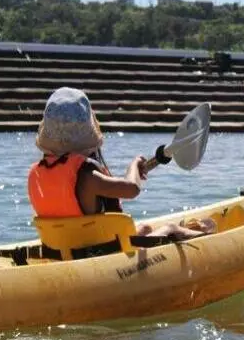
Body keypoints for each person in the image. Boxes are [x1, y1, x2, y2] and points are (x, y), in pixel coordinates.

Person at [27, 87, 215, 241]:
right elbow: (132, 188)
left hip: (66, 250)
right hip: (99, 253)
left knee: (146, 227)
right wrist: (134, 165)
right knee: (171, 229)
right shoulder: (86, 175)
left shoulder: (36, 173)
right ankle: (211, 237)